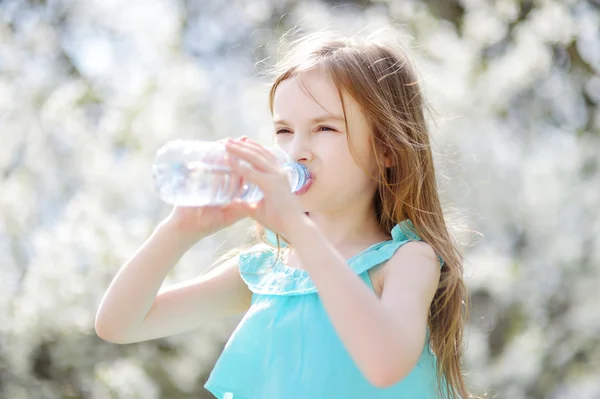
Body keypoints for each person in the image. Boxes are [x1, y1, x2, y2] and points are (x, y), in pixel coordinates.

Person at [95, 32, 472, 399]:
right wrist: (178, 231)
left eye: (324, 128)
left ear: (387, 149)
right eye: (284, 130)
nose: (297, 150)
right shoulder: (272, 270)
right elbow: (118, 324)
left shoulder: (407, 260)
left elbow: (385, 365)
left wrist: (297, 227)